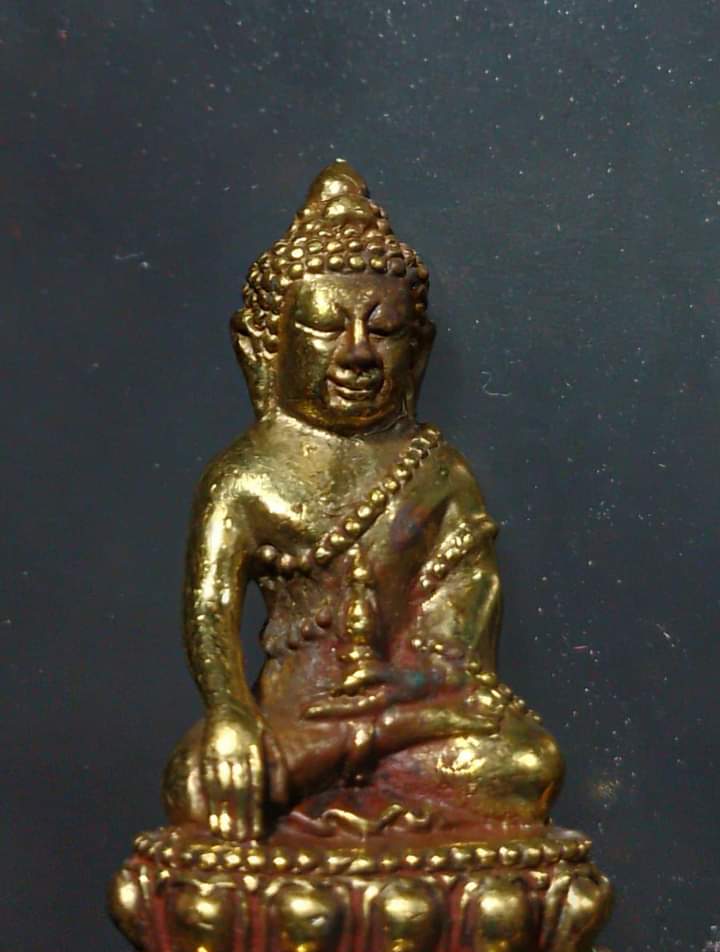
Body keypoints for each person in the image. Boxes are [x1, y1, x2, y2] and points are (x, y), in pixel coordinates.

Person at [163, 161, 563, 843]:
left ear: (419, 350)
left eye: (385, 330)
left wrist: (409, 692)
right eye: (326, 326)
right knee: (198, 783)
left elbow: (464, 639)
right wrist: (230, 715)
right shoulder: (246, 477)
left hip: (414, 718)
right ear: (265, 346)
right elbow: (209, 609)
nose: (358, 354)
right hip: (292, 723)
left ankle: (353, 785)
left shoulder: (435, 470)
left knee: (526, 766)